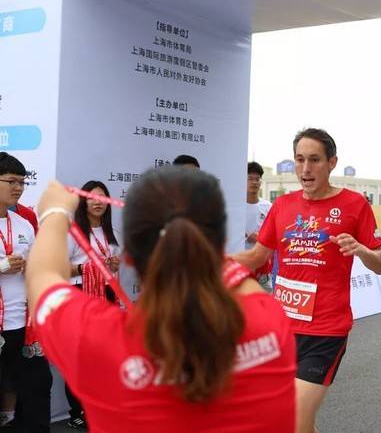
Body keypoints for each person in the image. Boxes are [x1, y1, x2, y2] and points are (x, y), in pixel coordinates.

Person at [25, 167, 297, 432]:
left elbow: (42, 277)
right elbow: (237, 279)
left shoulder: (101, 339)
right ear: (221, 241)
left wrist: (54, 213)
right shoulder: (269, 318)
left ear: (129, 257)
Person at [233, 128, 381, 433]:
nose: (305, 169)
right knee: (297, 421)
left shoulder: (355, 204)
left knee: (292, 419)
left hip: (325, 332)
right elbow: (256, 257)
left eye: (314, 160)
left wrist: (361, 249)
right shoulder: (282, 206)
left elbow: (380, 264)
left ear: (332, 162)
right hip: (283, 330)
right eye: (300, 159)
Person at [0, 152, 52, 432]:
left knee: (37, 386)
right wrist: (2, 266)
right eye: (11, 181)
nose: (18, 187)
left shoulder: (24, 224)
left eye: (22, 182)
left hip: (22, 325)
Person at [64, 180, 121, 429]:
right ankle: (77, 410)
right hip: (81, 294)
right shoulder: (73, 231)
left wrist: (114, 265)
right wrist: (85, 268)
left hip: (107, 295)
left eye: (102, 197)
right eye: (91, 197)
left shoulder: (111, 232)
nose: (97, 202)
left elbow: (112, 266)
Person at [244, 162, 273, 289]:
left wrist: (261, 237)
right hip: (241, 265)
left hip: (263, 268)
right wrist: (245, 237)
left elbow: (274, 233)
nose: (254, 182)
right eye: (250, 178)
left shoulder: (268, 206)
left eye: (257, 179)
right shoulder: (235, 206)